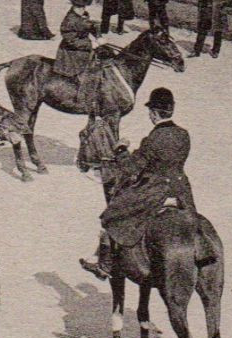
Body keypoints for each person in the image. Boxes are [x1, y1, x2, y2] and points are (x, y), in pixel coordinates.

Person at [81, 87, 196, 280]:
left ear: (153, 114)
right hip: (181, 190)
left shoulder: (152, 139)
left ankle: (104, 265)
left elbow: (130, 169)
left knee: (111, 216)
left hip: (155, 190)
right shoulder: (184, 134)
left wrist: (121, 149)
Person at [55, 0, 103, 112]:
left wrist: (98, 35)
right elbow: (71, 41)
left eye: (84, 7)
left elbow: (89, 25)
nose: (83, 9)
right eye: (80, 7)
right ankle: (82, 96)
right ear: (74, 6)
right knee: (85, 70)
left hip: (82, 47)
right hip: (71, 51)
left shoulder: (82, 14)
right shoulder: (69, 20)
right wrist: (91, 44)